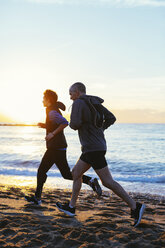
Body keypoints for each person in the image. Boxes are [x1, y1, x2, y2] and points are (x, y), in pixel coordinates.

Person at [56, 82, 146, 227]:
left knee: (107, 182)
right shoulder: (95, 102)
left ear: (78, 92)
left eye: (71, 93)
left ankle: (135, 206)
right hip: (94, 147)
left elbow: (74, 124)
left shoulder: (78, 102)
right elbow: (111, 118)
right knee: (76, 173)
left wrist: (80, 120)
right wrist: (100, 129)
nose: (70, 97)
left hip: (92, 148)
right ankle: (71, 207)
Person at [24, 89, 102, 205]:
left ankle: (37, 198)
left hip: (55, 148)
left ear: (49, 100)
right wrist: (45, 126)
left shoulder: (52, 112)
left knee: (43, 171)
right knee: (63, 174)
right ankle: (90, 181)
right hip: (57, 147)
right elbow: (55, 124)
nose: (42, 101)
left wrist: (51, 134)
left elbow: (65, 123)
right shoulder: (52, 110)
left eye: (44, 99)